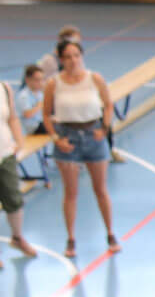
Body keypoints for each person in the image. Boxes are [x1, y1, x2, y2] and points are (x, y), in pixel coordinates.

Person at [44, 37, 117, 257]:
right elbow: (46, 115)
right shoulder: (54, 84)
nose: (73, 60)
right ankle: (71, 239)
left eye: (76, 55)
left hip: (93, 135)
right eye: (67, 57)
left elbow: (108, 104)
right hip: (68, 137)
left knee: (100, 189)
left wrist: (104, 128)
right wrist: (57, 139)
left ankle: (110, 233)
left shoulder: (94, 79)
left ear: (82, 56)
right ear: (61, 59)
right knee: (71, 192)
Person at [0, 68, 38, 264]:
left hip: (5, 154)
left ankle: (17, 237)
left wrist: (19, 141)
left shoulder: (4, 88)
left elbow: (12, 117)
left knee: (13, 199)